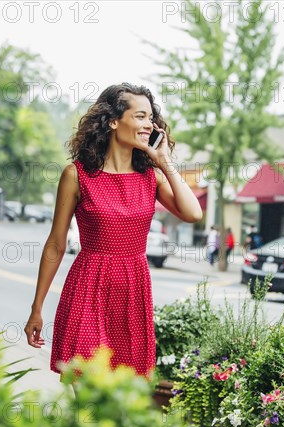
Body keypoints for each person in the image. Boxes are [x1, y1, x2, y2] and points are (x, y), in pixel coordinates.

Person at [24, 83, 202, 381]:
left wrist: (164, 161)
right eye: (141, 116)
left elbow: (193, 213)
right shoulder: (77, 175)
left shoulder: (151, 177)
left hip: (133, 293)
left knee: (122, 401)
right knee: (88, 393)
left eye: (151, 118)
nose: (149, 125)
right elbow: (55, 244)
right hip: (88, 289)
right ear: (113, 121)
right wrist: (37, 307)